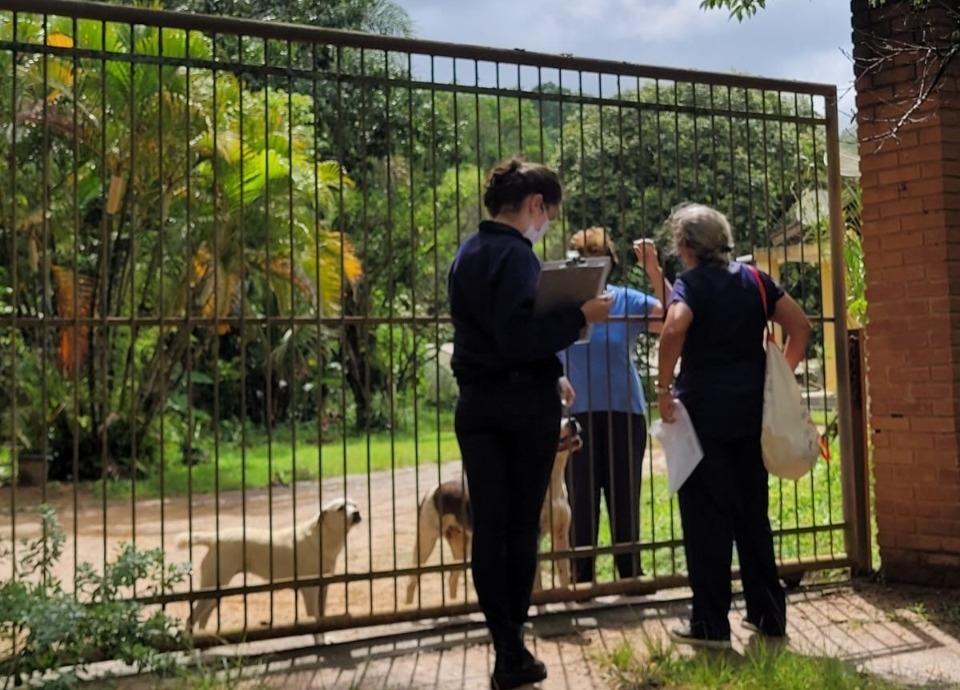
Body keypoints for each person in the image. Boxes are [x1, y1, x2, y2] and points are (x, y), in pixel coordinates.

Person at [448, 158, 613, 689]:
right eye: (550, 212)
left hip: (476, 404)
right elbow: (519, 336)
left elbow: (494, 337)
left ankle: (504, 643)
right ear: (535, 205)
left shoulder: (465, 255)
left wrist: (551, 372)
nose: (548, 224)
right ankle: (512, 648)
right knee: (520, 528)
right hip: (521, 411)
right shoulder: (518, 257)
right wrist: (580, 317)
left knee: (489, 527)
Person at [657, 203, 811, 649]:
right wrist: (778, 376)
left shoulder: (690, 284)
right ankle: (768, 614)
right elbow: (800, 327)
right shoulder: (754, 279)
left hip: (703, 416)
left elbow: (674, 327)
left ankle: (709, 623)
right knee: (751, 515)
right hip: (751, 414)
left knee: (706, 520)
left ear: (686, 247)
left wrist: (664, 388)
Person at [562, 228, 668, 583]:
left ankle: (630, 573)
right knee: (579, 497)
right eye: (585, 263)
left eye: (599, 263)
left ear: (610, 265)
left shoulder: (624, 299)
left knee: (625, 495)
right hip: (574, 415)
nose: (593, 270)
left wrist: (654, 271)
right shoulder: (561, 304)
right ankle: (581, 576)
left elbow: (672, 318)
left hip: (624, 411)